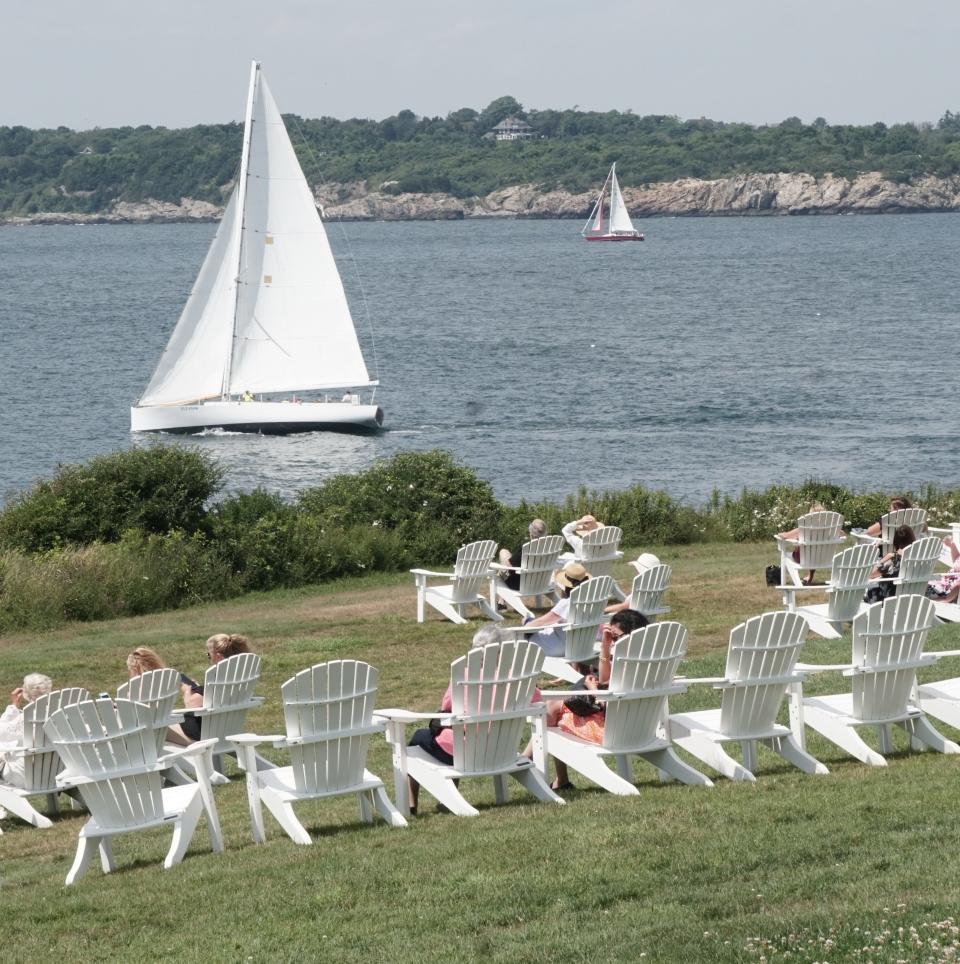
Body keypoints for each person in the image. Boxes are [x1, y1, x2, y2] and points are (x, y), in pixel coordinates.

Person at [406, 623, 540, 814]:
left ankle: (412, 805)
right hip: (501, 749)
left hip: (464, 752)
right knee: (459, 735)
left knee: (419, 738)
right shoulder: (516, 678)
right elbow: (537, 699)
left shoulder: (464, 675)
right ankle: (447, 801)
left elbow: (446, 709)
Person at [541, 609, 649, 790]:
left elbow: (606, 702)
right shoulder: (650, 662)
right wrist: (605, 647)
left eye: (616, 638)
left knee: (554, 714)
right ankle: (558, 780)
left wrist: (592, 689)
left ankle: (537, 767)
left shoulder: (628, 665)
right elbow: (606, 680)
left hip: (614, 732)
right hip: (642, 727)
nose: (613, 642)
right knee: (554, 705)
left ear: (631, 635)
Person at [179, 633, 253, 741]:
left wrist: (186, 692)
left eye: (209, 655)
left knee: (160, 728)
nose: (209, 658)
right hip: (230, 729)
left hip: (203, 733)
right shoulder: (241, 680)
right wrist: (201, 689)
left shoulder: (218, 680)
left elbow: (192, 705)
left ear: (218, 657)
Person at [523, 562, 591, 657]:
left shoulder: (567, 603)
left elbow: (542, 622)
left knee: (528, 624)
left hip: (560, 648)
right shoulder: (591, 602)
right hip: (583, 646)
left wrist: (525, 625)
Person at [0, 673, 54, 789]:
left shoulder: (28, 718)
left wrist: (13, 705)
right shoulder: (57, 713)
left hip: (25, 775)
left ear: (25, 694)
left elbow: (2, 733)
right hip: (53, 773)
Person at [775, 502, 840, 585]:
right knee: (815, 551)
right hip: (823, 558)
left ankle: (786, 581)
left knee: (788, 555)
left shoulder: (803, 529)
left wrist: (781, 534)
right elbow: (843, 534)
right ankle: (810, 575)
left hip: (803, 558)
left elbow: (784, 536)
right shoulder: (830, 530)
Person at [865, 525, 915, 603]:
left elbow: (871, 574)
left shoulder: (893, 558)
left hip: (888, 599)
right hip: (911, 598)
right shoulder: (918, 557)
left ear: (896, 540)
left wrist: (880, 560)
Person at [498, 518, 548, 592]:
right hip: (537, 583)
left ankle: (501, 601)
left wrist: (501, 565)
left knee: (503, 555)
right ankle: (501, 601)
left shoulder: (527, 548)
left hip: (518, 583)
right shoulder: (547, 549)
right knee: (505, 552)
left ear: (530, 531)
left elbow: (510, 564)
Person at [927, 535, 960, 604]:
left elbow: (957, 586)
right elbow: (957, 559)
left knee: (919, 586)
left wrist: (946, 600)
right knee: (920, 583)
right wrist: (952, 545)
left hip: (945, 591)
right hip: (941, 583)